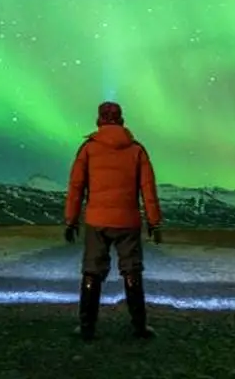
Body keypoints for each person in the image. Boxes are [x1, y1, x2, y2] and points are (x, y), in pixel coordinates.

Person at [63, 100, 163, 341]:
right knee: (132, 271)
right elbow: (148, 189)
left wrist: (71, 220)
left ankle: (87, 327)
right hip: (128, 222)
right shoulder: (136, 149)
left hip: (97, 221)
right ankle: (139, 326)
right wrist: (154, 221)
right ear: (121, 119)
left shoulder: (88, 148)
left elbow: (76, 188)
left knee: (91, 273)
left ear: (99, 120)